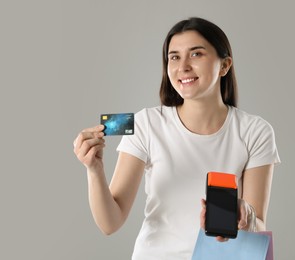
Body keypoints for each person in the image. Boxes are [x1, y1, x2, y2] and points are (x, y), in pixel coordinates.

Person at [73, 17, 280, 260]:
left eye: (196, 54)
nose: (182, 67)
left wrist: (245, 215)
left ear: (224, 65)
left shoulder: (255, 131)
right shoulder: (146, 124)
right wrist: (94, 169)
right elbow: (110, 223)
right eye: (174, 57)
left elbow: (258, 224)